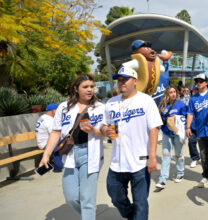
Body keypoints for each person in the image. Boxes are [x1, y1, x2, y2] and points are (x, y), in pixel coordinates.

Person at [39, 74, 105, 220]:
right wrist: (46, 155)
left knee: (87, 198)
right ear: (76, 89)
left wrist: (93, 130)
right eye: (85, 87)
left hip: (90, 154)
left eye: (92, 87)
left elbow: (105, 134)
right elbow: (56, 132)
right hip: (69, 155)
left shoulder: (100, 108)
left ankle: (88, 216)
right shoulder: (64, 107)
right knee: (71, 197)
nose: (90, 90)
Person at [101, 67, 162, 220]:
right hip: (117, 162)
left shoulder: (146, 100)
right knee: (115, 196)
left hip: (140, 162)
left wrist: (153, 157)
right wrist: (105, 130)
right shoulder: (110, 103)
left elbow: (154, 129)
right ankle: (131, 215)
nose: (121, 82)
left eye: (125, 79)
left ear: (135, 81)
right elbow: (103, 125)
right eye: (119, 79)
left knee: (141, 203)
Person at [155, 86, 187, 189]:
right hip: (166, 133)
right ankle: (163, 179)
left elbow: (186, 118)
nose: (173, 94)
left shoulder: (181, 105)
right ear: (167, 94)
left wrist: (176, 118)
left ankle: (180, 172)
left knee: (178, 155)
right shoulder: (163, 106)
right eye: (170, 92)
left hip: (177, 134)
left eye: (174, 92)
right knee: (166, 155)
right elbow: (158, 119)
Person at [35, 103, 63, 171]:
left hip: (42, 142)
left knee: (61, 141)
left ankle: (60, 164)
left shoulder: (43, 117)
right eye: (57, 110)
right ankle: (58, 167)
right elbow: (55, 134)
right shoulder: (49, 120)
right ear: (53, 111)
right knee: (58, 142)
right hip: (44, 143)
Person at [188, 85, 200, 168]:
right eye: (194, 90)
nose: (195, 91)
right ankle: (195, 158)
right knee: (191, 142)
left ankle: (204, 158)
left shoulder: (204, 99)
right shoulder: (190, 100)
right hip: (193, 127)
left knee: (205, 144)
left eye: (197, 90)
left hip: (202, 126)